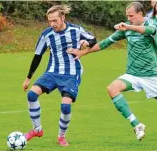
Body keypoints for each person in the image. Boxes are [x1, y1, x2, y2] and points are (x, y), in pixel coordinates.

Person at [67, 2, 157, 141]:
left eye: (131, 16)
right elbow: (105, 43)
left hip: (153, 77)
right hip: (133, 75)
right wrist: (83, 52)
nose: (128, 19)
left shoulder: (152, 23)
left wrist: (128, 27)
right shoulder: (126, 28)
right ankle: (137, 125)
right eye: (127, 16)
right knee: (112, 88)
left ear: (140, 14)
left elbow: (146, 30)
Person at [22, 5, 96, 146]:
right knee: (31, 95)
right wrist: (28, 78)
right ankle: (37, 129)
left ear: (63, 18)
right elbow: (37, 56)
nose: (52, 24)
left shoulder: (76, 30)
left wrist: (87, 42)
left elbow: (93, 40)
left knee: (65, 107)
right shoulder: (46, 35)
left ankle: (61, 137)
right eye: (50, 21)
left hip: (71, 73)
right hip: (52, 72)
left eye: (55, 20)